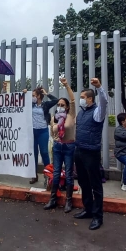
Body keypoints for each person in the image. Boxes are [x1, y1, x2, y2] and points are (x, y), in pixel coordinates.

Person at [72, 78, 108, 231]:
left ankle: (97, 216)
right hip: (79, 151)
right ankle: (87, 209)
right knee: (83, 183)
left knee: (95, 185)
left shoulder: (97, 113)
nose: (81, 99)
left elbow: (105, 102)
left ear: (90, 99)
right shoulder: (81, 113)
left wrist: (99, 87)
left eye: (82, 97)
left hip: (91, 153)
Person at [44, 78, 76, 213]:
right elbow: (53, 132)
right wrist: (56, 140)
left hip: (69, 147)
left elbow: (73, 100)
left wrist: (66, 85)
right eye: (59, 104)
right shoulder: (54, 117)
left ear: (67, 107)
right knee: (56, 172)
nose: (60, 106)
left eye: (63, 104)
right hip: (57, 146)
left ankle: (69, 200)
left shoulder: (71, 115)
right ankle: (53, 199)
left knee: (68, 173)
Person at [25, 86, 57, 184]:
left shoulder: (45, 105)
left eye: (34, 95)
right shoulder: (31, 104)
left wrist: (47, 94)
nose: (32, 97)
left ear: (38, 96)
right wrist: (24, 93)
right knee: (33, 154)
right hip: (33, 132)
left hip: (43, 131)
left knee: (44, 153)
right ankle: (34, 176)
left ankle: (48, 176)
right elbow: (20, 102)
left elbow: (56, 100)